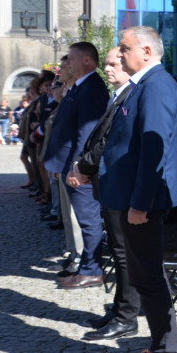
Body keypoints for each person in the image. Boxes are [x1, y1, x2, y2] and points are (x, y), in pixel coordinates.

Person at [97, 25, 177, 353]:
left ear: (146, 52)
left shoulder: (157, 86)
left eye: (124, 47)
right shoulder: (143, 86)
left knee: (149, 278)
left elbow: (154, 152)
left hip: (142, 204)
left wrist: (142, 203)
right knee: (146, 277)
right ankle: (160, 344)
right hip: (132, 199)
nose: (118, 54)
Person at [69, 48, 140, 340]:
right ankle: (120, 308)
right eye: (108, 64)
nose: (108, 69)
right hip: (110, 186)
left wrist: (83, 166)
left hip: (122, 188)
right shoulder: (118, 96)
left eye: (114, 64)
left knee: (125, 256)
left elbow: (110, 141)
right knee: (119, 253)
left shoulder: (130, 96)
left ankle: (127, 316)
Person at [46, 43, 110, 290]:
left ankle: (92, 270)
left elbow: (86, 133)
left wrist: (78, 167)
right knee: (83, 220)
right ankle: (85, 266)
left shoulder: (92, 88)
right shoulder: (79, 87)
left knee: (88, 220)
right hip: (68, 164)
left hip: (79, 169)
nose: (67, 64)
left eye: (71, 59)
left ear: (86, 60)